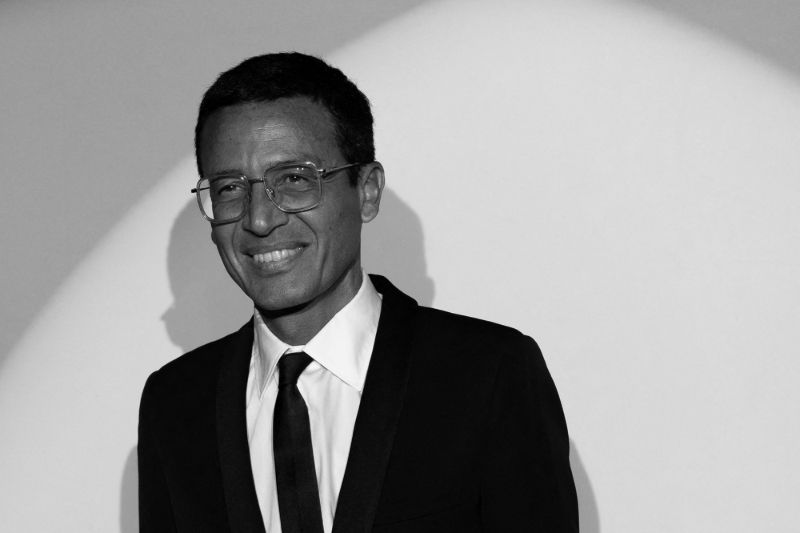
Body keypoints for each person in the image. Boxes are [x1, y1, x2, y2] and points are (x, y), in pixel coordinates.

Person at [138, 52, 578, 533]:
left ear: (367, 191)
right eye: (229, 189)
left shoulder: (488, 375)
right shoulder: (175, 405)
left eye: (294, 179)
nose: (259, 219)